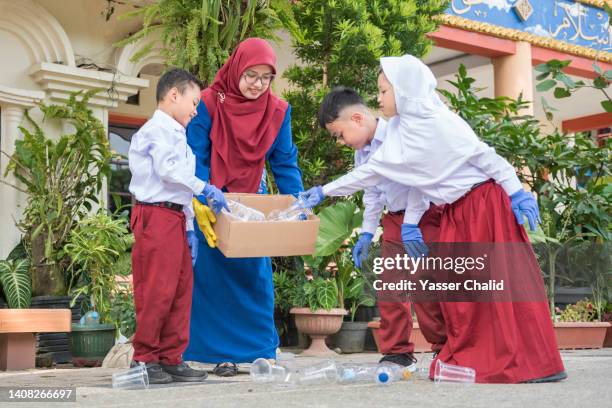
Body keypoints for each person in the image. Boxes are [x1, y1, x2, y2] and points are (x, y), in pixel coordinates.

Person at [300, 55, 566, 383]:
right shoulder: (403, 128)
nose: (379, 98)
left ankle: (523, 361)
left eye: (384, 91)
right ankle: (473, 354)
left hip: (480, 206)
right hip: (457, 212)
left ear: (406, 90)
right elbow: (375, 177)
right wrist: (339, 204)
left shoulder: (438, 122)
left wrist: (516, 191)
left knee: (489, 286)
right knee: (463, 296)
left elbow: (484, 157)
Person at [185, 38, 304, 376]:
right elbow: (195, 155)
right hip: (212, 202)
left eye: (266, 77)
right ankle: (211, 355)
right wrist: (207, 196)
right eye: (251, 75)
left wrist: (298, 203)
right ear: (236, 68)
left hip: (253, 203)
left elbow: (284, 162)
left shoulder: (278, 111)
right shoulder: (209, 102)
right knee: (211, 279)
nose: (258, 84)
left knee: (255, 278)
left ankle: (258, 352)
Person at [318, 86, 445, 368]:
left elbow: (419, 184)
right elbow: (373, 193)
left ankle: (445, 348)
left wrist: (411, 223)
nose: (340, 142)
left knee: (426, 286)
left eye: (340, 135)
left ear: (357, 119)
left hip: (423, 215)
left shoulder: (400, 137)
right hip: (396, 219)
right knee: (391, 287)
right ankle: (398, 353)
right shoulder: (362, 152)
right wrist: (366, 231)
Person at [128, 68, 228, 383]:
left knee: (180, 291)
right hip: (154, 215)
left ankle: (171, 358)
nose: (196, 110)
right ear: (174, 95)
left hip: (173, 217)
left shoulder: (178, 134)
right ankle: (144, 359)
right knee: (157, 289)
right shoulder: (156, 129)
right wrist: (205, 187)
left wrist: (188, 229)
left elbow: (180, 191)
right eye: (194, 102)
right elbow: (168, 171)